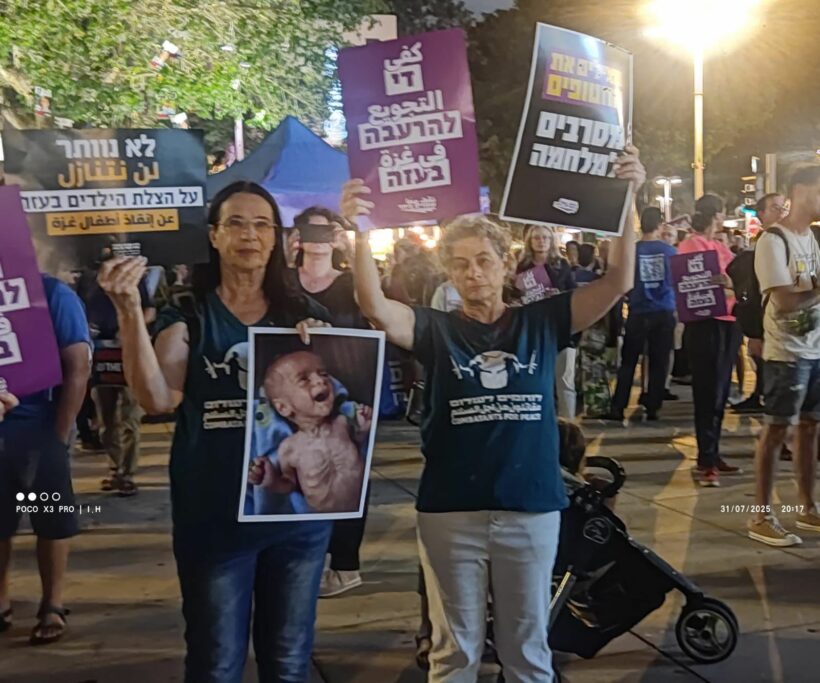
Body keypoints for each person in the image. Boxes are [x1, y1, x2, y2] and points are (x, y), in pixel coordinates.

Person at [344, 147, 645, 682]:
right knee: (453, 652)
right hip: (451, 511)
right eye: (460, 264)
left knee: (526, 649)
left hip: (530, 508)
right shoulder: (436, 329)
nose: (473, 273)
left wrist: (626, 200)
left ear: (507, 263)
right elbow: (375, 308)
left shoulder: (543, 321)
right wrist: (359, 234)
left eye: (484, 260)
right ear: (448, 272)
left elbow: (619, 280)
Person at [97, 181, 333, 682]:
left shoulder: (305, 316)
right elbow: (157, 398)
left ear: (277, 238)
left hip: (296, 518)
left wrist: (329, 354)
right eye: (236, 223)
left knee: (289, 663)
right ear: (214, 236)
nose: (249, 234)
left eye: (261, 224)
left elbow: (339, 404)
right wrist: (128, 312)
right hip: (214, 518)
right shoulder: (189, 311)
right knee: (216, 663)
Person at [0, 275, 91, 645]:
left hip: (40, 427)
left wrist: (59, 434)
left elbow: (78, 366)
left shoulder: (51, 293)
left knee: (51, 517)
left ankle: (52, 603)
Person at [291, 206, 372, 598]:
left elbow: (376, 311)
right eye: (311, 230)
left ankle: (344, 562)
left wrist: (354, 248)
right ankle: (305, 558)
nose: (318, 239)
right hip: (296, 393)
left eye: (326, 232)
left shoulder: (353, 284)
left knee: (347, 475)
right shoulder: (285, 284)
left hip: (348, 388)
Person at [747, 167, 820, 546]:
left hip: (815, 349)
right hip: (785, 354)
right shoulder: (773, 240)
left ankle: (807, 506)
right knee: (775, 430)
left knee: (810, 428)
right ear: (801, 191)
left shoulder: (811, 238)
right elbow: (786, 299)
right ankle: (761, 515)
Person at [248, 351, 370, 513]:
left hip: (357, 511)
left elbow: (359, 448)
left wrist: (364, 429)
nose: (320, 380)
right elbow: (289, 485)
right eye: (304, 379)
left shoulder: (343, 423)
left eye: (324, 374)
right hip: (321, 518)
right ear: (283, 407)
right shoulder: (290, 447)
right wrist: (272, 482)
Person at [678, 194, 743, 487]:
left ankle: (713, 452)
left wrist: (729, 283)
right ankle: (706, 459)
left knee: (720, 393)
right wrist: (722, 283)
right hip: (706, 324)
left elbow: (735, 280)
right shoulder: (691, 244)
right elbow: (689, 281)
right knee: (707, 393)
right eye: (722, 213)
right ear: (716, 215)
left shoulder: (719, 246)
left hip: (728, 322)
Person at [77, 259, 156, 496]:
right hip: (100, 354)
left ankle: (127, 473)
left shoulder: (132, 275)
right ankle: (115, 470)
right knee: (106, 418)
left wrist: (131, 325)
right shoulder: (87, 278)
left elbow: (150, 309)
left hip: (129, 351)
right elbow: (79, 309)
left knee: (130, 418)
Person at [608, 207, 677, 422]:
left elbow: (622, 281)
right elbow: (677, 281)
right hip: (664, 310)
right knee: (659, 361)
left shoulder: (632, 251)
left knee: (629, 361)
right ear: (659, 225)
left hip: (638, 311)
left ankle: (618, 405)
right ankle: (653, 406)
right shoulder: (670, 252)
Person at [732, 193, 788, 414]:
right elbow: (752, 291)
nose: (782, 213)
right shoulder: (759, 246)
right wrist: (755, 331)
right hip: (767, 319)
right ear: (761, 214)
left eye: (784, 208)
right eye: (775, 208)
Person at [516, 225, 577, 419]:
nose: (541, 241)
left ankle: (568, 423)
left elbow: (574, 292)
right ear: (530, 241)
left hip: (561, 326)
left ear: (551, 241)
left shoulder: (561, 264)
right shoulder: (522, 267)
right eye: (537, 238)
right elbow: (514, 293)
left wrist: (560, 294)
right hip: (534, 327)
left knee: (565, 380)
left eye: (545, 237)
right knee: (539, 379)